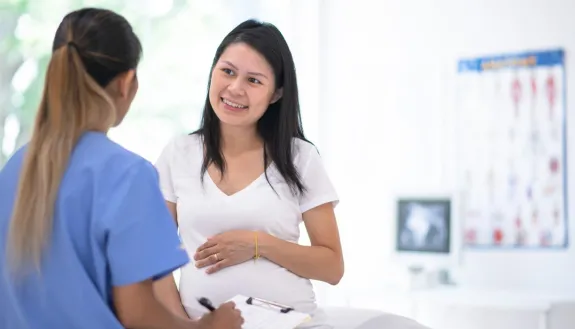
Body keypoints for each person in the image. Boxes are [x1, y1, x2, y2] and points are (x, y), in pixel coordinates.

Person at [0, 8, 243, 329]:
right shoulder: (128, 175)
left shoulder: (16, 166)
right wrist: (207, 327)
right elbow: (139, 315)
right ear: (127, 83)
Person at [154, 19, 344, 328]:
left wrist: (258, 244)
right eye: (227, 71)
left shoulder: (300, 158)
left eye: (254, 80)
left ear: (276, 94)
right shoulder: (179, 154)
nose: (235, 88)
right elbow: (156, 259)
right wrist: (184, 325)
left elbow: (332, 267)